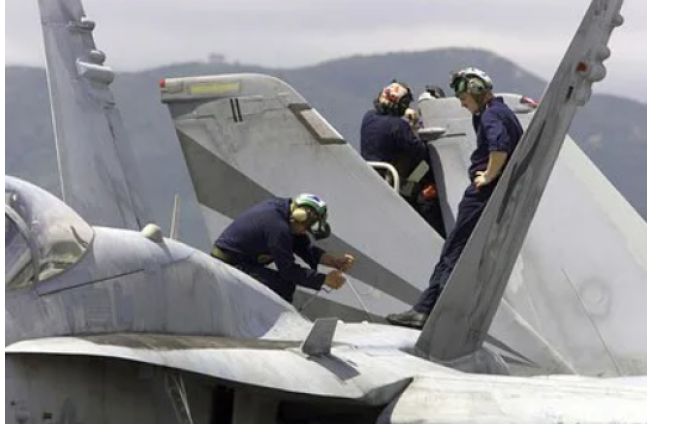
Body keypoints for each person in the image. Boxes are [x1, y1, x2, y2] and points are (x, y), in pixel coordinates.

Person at [385, 67, 524, 329]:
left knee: (453, 252)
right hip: (492, 195)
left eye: (463, 96)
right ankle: (430, 309)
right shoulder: (500, 112)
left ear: (476, 90)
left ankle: (434, 312)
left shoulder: (491, 115)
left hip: (481, 195)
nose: (461, 102)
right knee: (458, 251)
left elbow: (500, 148)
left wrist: (488, 176)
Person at [210, 193, 354, 303]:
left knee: (281, 283)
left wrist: (334, 262)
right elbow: (288, 271)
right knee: (283, 285)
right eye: (305, 228)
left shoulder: (286, 214)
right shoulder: (277, 227)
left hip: (241, 263)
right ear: (299, 217)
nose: (305, 232)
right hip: (227, 265)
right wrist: (324, 280)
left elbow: (305, 247)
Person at [360, 80, 445, 236]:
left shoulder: (369, 117)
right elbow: (421, 152)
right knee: (428, 181)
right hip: (396, 181)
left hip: (376, 178)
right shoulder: (398, 126)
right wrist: (415, 126)